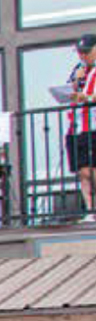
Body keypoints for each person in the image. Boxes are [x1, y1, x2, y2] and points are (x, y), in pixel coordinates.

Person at [69, 35, 96, 223]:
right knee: (82, 170)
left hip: (94, 125)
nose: (83, 56)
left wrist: (85, 98)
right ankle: (90, 209)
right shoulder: (79, 70)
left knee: (93, 169)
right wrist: (75, 84)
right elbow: (70, 90)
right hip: (78, 126)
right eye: (80, 52)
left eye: (86, 51)